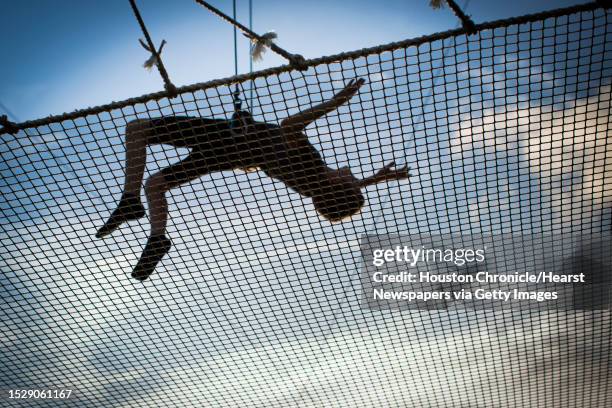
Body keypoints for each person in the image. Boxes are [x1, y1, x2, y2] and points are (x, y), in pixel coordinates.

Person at [96, 78, 410, 281]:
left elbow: (288, 126)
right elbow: (340, 194)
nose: (354, 179)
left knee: (138, 129)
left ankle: (129, 200)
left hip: (230, 140)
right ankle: (157, 237)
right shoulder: (313, 188)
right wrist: (376, 179)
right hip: (234, 155)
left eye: (353, 183)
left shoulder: (313, 168)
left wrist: (337, 100)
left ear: (338, 186)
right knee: (156, 185)